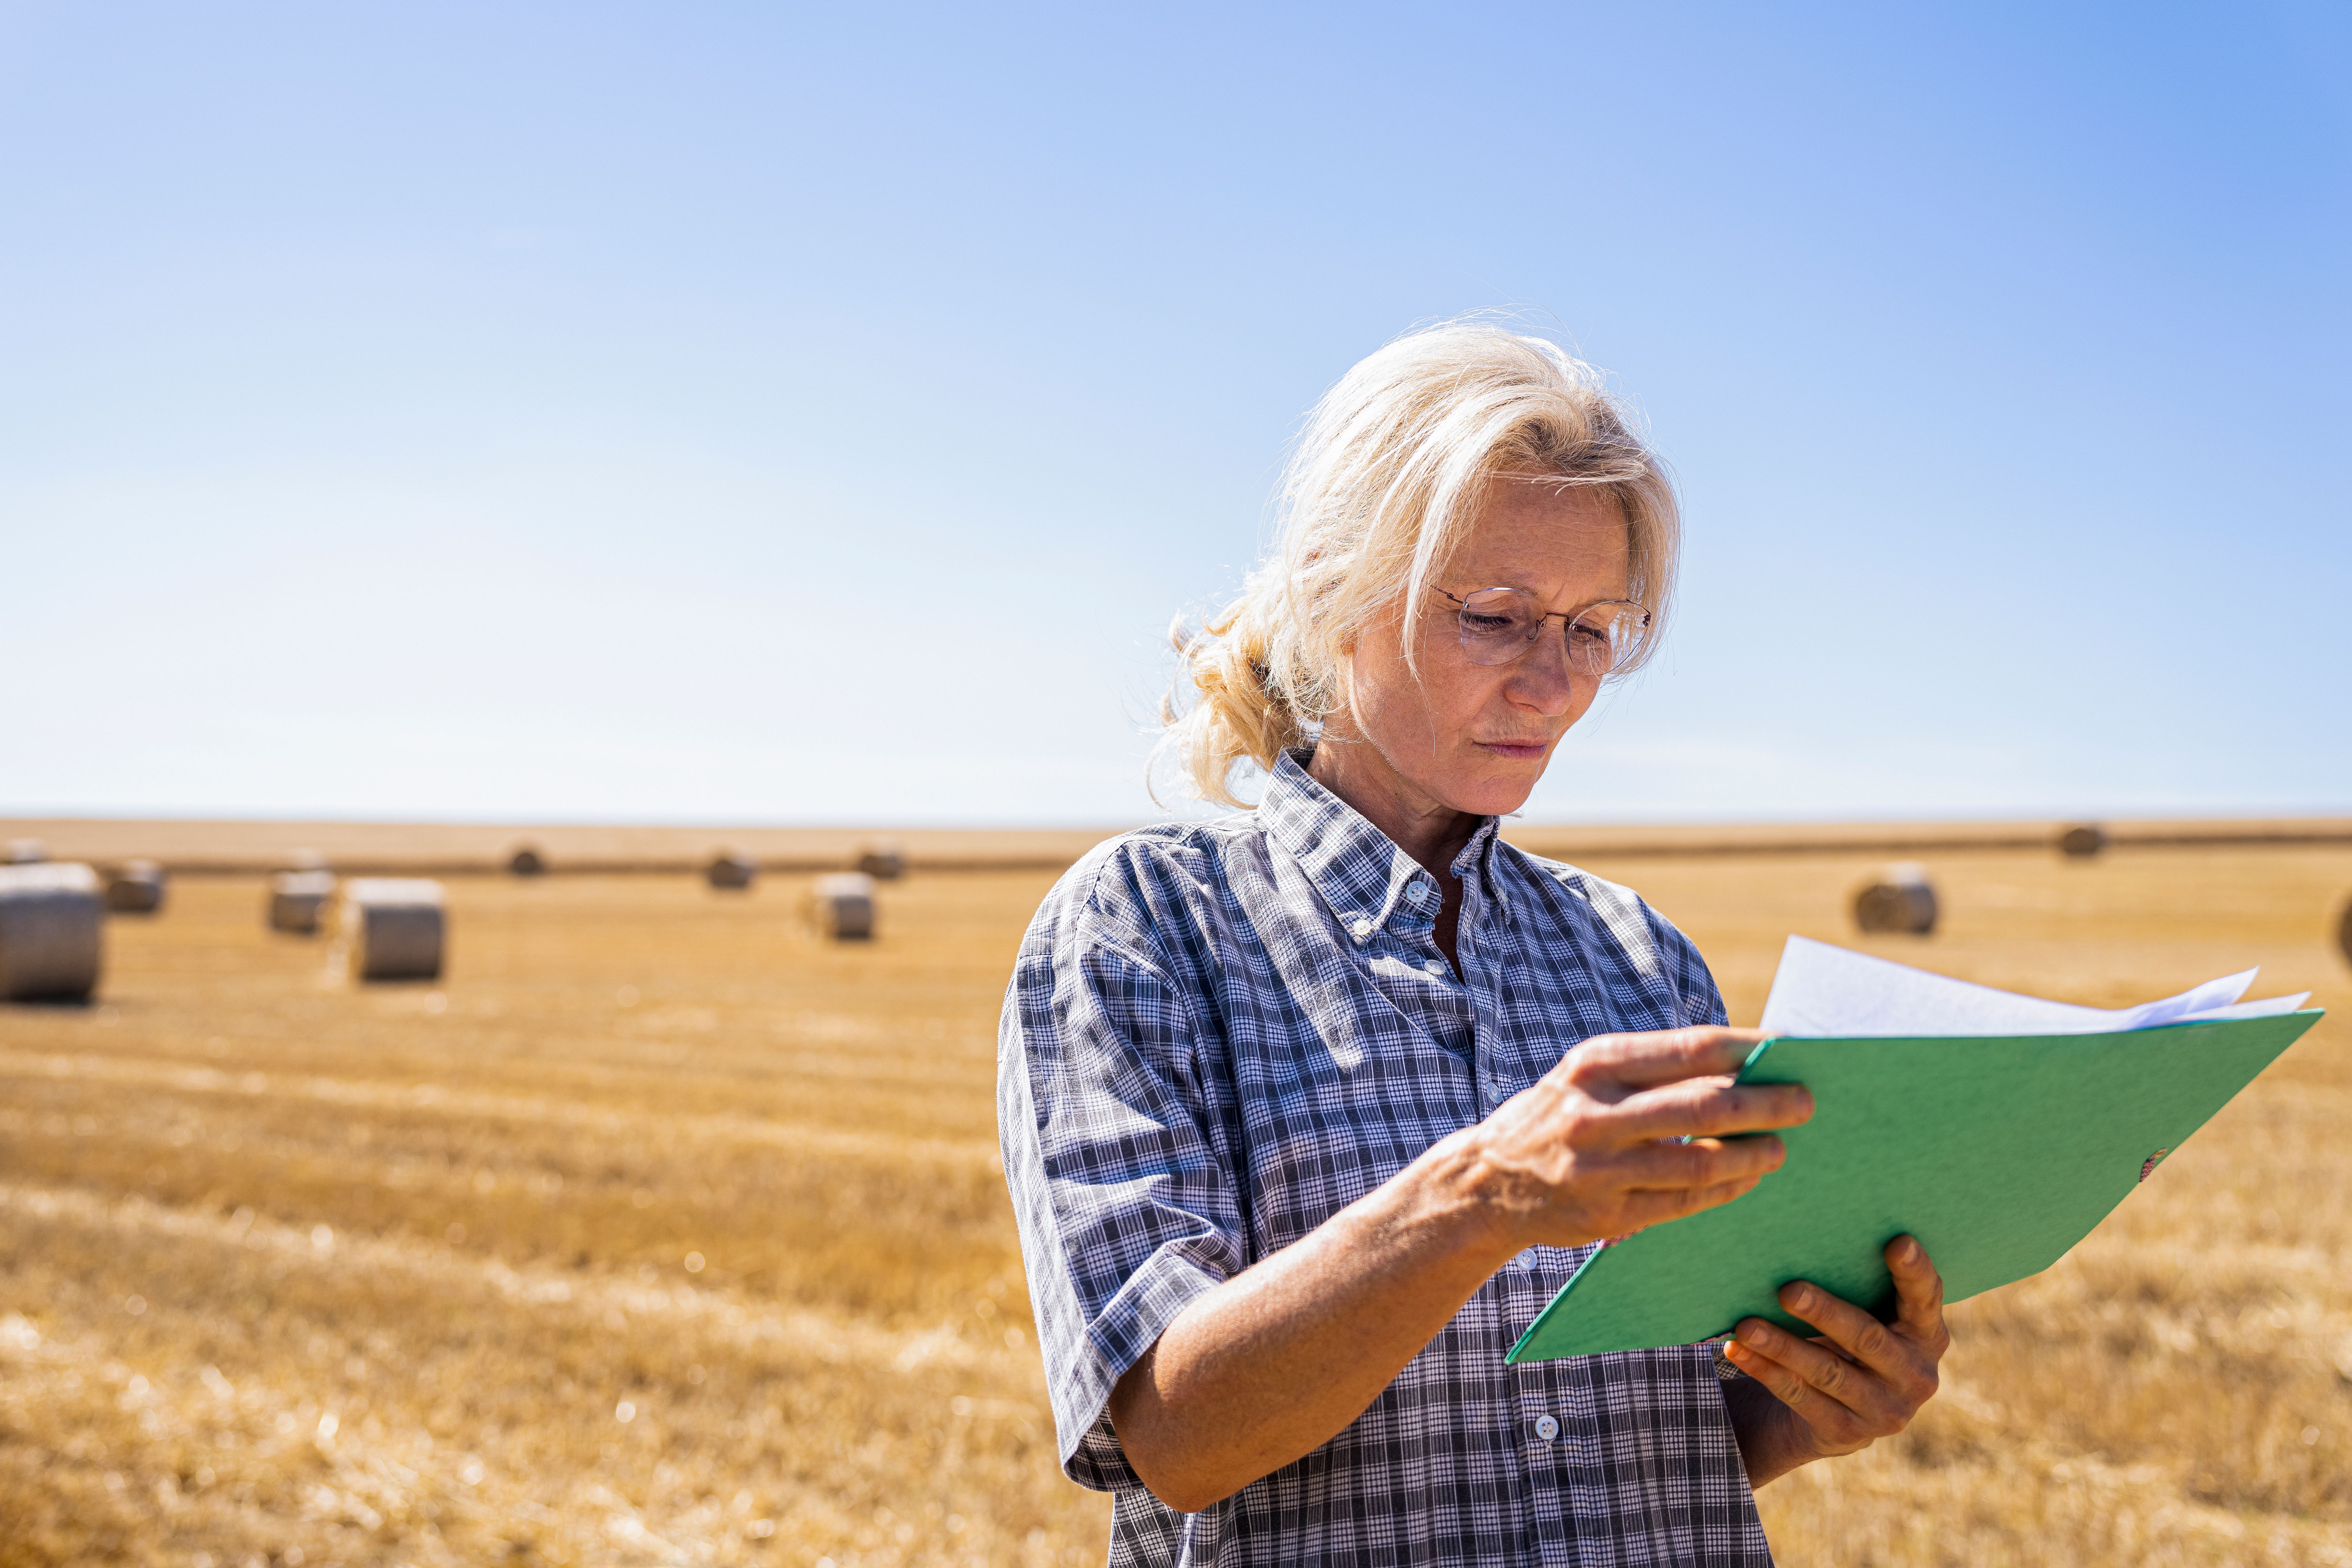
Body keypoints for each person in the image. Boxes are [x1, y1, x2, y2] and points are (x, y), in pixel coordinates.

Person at [996, 321, 1949, 1565]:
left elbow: (1634, 1434)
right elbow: (1177, 1436)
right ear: (1335, 594)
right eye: (1497, 617)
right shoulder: (1144, 929)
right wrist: (1483, 1195)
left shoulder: (1643, 959)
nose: (1552, 686)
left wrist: (1803, 1407)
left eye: (1593, 629)